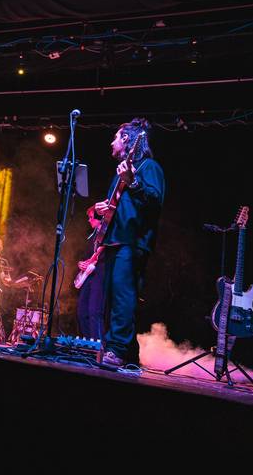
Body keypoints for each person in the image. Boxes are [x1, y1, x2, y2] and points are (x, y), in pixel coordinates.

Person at [93, 118, 164, 368]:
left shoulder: (148, 167)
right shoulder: (121, 171)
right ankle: (128, 354)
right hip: (116, 240)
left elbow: (155, 199)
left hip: (132, 242)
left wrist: (133, 182)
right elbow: (122, 204)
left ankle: (117, 349)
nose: (111, 142)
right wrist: (106, 207)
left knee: (123, 297)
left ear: (126, 140)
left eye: (116, 136)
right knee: (115, 298)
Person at [76, 207, 106, 340]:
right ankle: (88, 343)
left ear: (100, 218)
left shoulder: (107, 232)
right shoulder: (92, 235)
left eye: (91, 217)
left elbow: (104, 250)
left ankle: (97, 346)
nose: (89, 220)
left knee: (95, 310)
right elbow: (86, 255)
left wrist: (92, 260)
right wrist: (80, 264)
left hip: (100, 272)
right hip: (88, 275)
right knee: (82, 311)